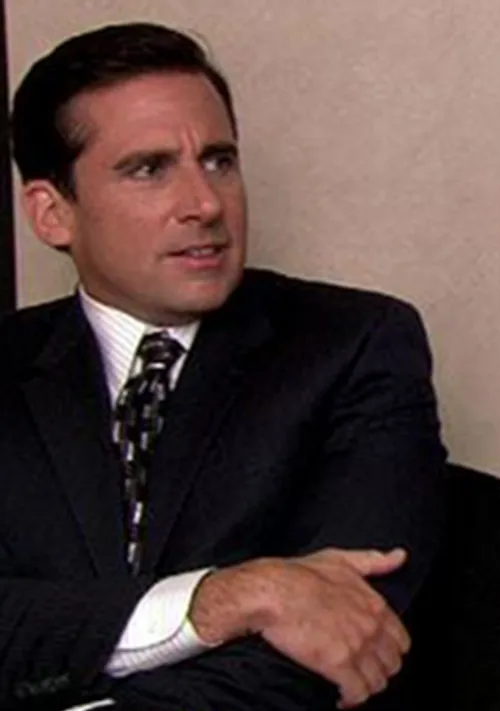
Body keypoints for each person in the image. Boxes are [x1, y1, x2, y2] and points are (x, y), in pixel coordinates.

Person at [1, 21, 445, 711]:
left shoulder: (356, 346)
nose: (206, 204)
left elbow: (342, 634)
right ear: (52, 213)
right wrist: (213, 601)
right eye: (149, 169)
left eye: (218, 161)